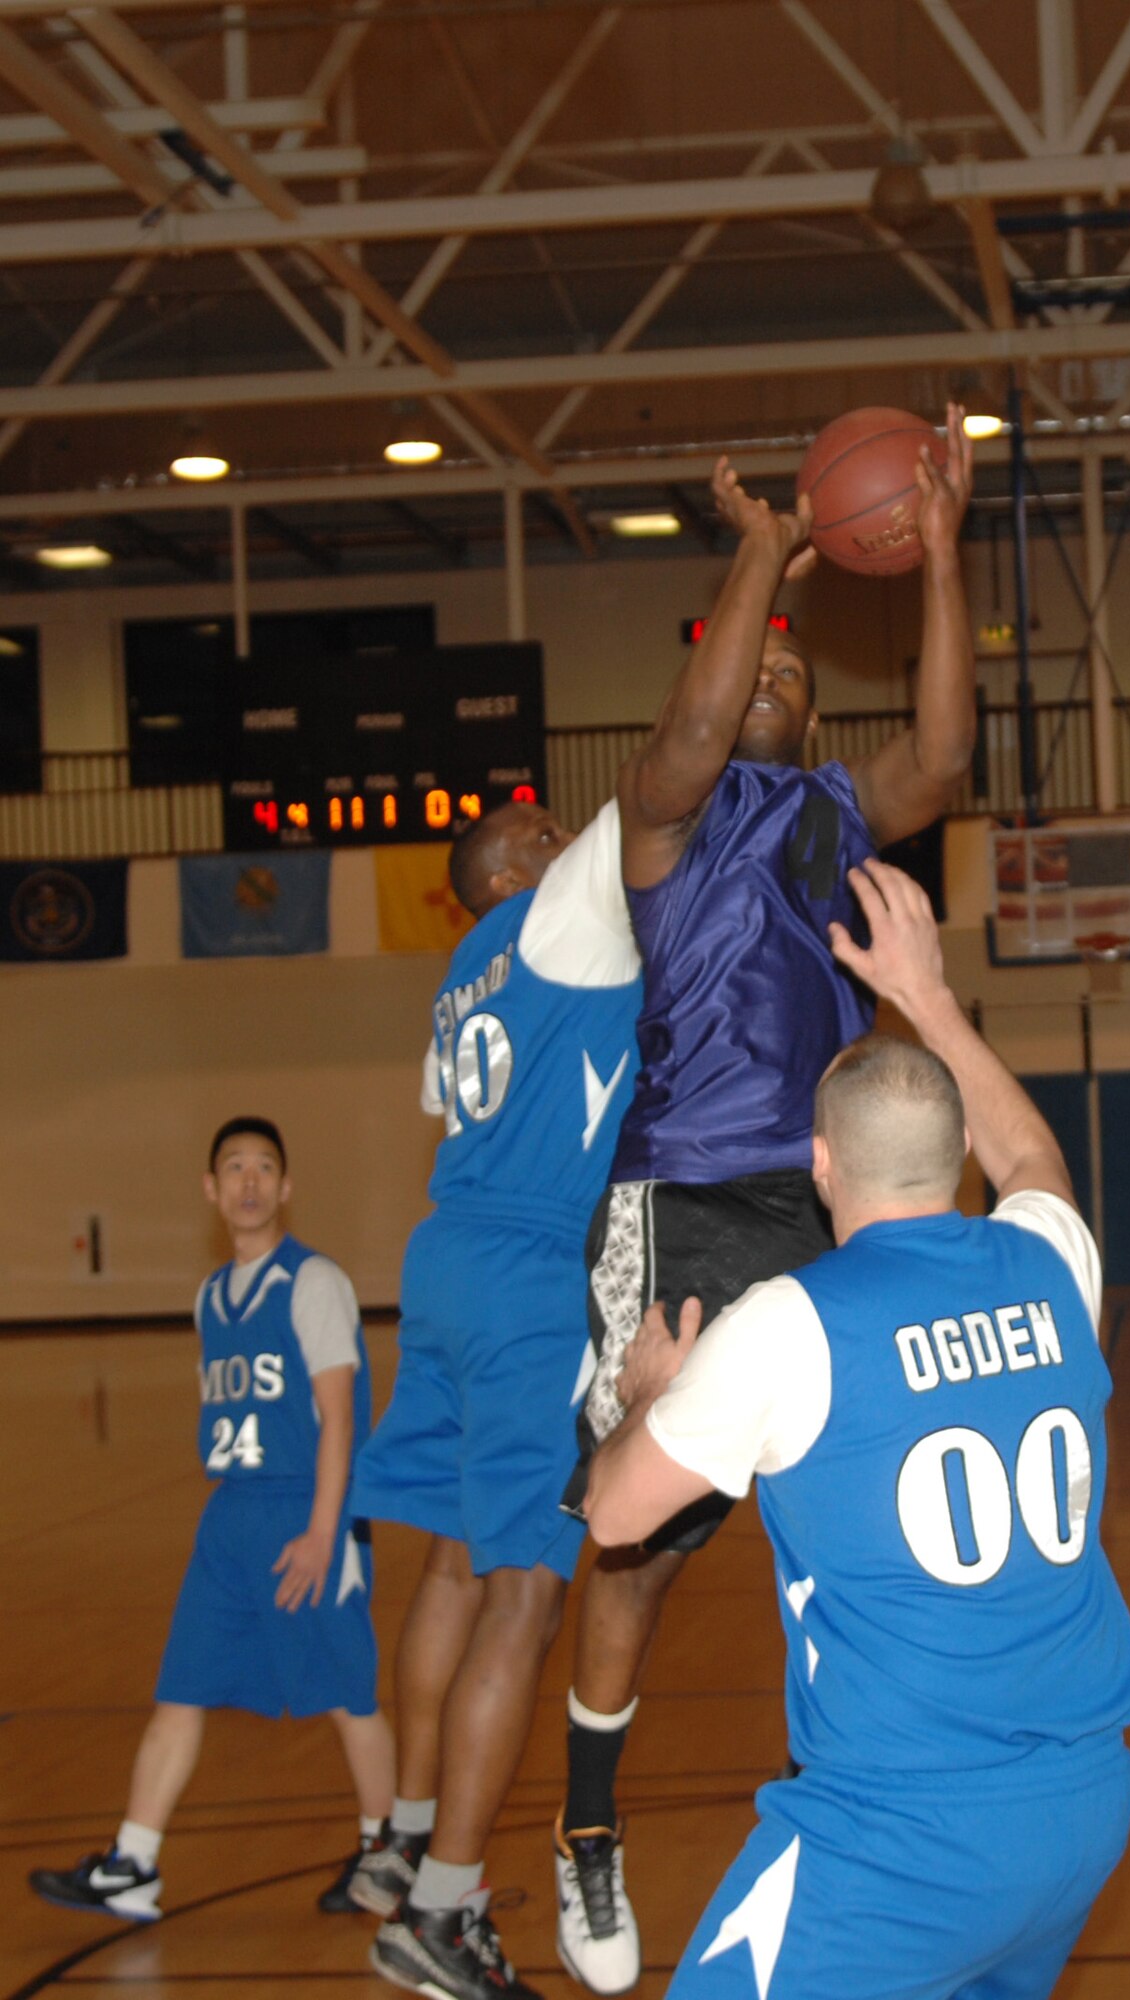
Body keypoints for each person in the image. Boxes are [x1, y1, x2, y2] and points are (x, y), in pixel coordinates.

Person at [554, 413, 976, 1994]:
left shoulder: (834, 815)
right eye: (755, 672)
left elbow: (944, 757)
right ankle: (587, 1825)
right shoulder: (663, 817)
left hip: (827, 1199)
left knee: (852, 1504)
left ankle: (869, 1788)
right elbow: (692, 721)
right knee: (644, 1543)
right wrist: (764, 551)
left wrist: (940, 554)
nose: (771, 683)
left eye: (795, 674)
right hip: (681, 1199)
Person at [583, 858, 1130, 1999]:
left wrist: (644, 1396)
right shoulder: (1053, 1261)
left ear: (821, 1164)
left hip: (900, 1838)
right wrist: (926, 993)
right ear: (956, 1154)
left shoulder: (788, 1325)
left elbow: (613, 1516)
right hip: (1082, 1809)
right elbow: (1033, 1158)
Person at [349, 798, 642, 2000]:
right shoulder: (565, 910)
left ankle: (407, 1830)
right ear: (520, 869)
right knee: (525, 1589)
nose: (565, 830)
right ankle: (443, 1906)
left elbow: (449, 1100)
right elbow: (668, 779)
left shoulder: (461, 974)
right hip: (529, 1273)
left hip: (442, 1261)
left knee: (451, 1561)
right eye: (543, 827)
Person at [29, 1118, 394, 1925]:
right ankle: (133, 1864)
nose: (249, 1181)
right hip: (230, 1516)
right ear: (212, 1189)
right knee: (182, 1688)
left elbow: (338, 1416)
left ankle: (386, 1853)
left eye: (264, 1167)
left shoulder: (313, 1282)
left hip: (307, 1509)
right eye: (234, 1168)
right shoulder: (209, 1298)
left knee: (348, 1694)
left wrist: (324, 1533)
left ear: (286, 1187)